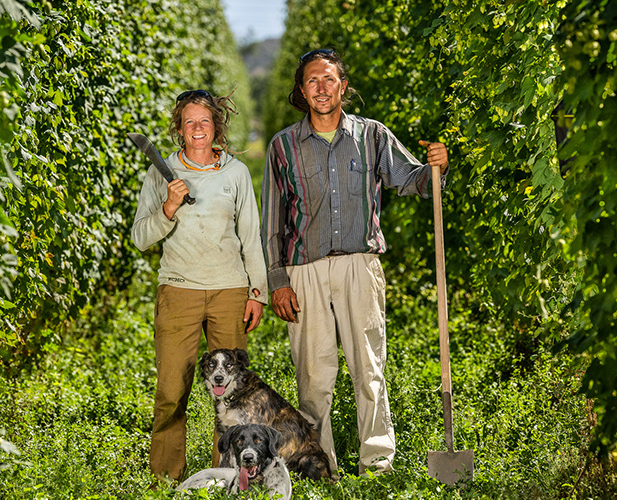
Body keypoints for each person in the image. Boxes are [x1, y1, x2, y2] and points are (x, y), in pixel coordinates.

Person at [261, 49, 449, 476]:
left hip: (359, 266)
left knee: (369, 369)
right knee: (313, 378)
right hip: (304, 271)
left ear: (343, 86)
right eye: (312, 81)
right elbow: (271, 221)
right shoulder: (283, 146)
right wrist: (278, 281)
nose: (321, 88)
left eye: (329, 79)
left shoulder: (373, 136)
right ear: (302, 91)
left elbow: (412, 180)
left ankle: (377, 463)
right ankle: (318, 465)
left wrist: (436, 167)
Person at [131, 88, 268, 483]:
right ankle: (165, 479)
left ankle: (225, 477)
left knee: (232, 397)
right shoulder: (162, 172)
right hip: (179, 291)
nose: (197, 129)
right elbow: (141, 236)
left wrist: (256, 292)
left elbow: (250, 235)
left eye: (204, 121)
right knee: (172, 392)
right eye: (189, 121)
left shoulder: (236, 174)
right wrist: (168, 210)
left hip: (229, 291)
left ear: (216, 126)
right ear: (179, 127)